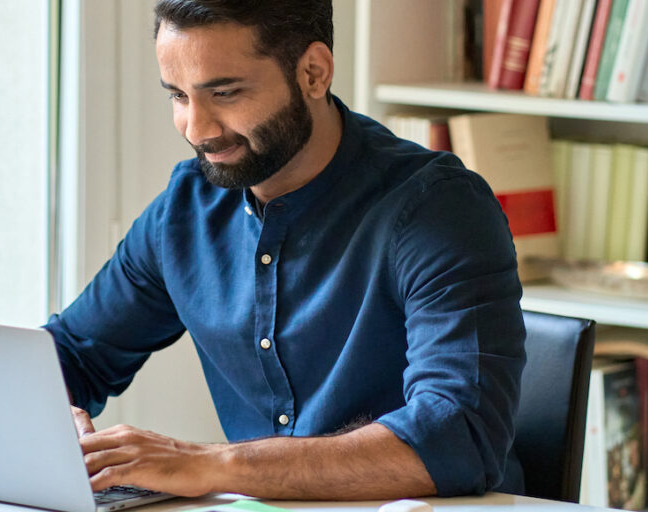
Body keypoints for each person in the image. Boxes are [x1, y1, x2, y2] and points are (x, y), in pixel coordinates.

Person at [43, 0, 526, 501]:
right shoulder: (186, 208)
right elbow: (71, 355)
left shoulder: (438, 208)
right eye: (178, 96)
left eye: (225, 92)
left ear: (314, 73)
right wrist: (53, 412)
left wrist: (211, 465)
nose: (197, 129)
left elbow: (459, 436)